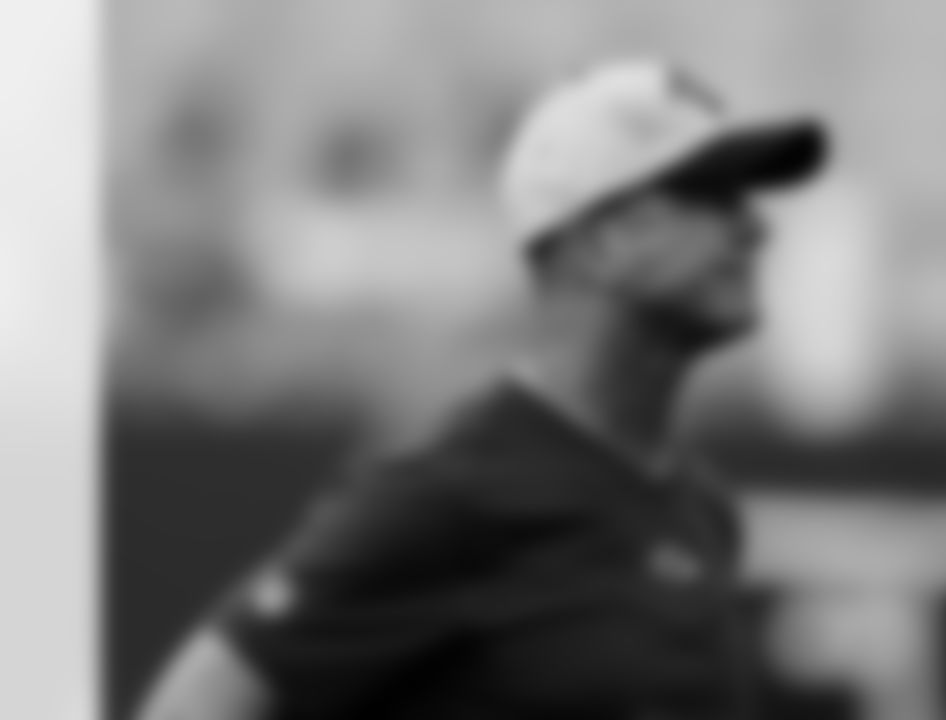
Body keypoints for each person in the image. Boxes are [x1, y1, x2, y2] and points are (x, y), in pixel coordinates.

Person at [137, 57, 828, 720]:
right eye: (710, 195)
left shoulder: (705, 511)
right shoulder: (448, 497)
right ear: (601, 242)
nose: (757, 227)